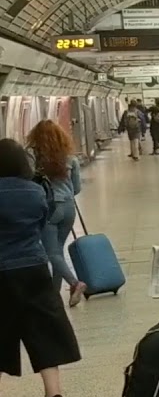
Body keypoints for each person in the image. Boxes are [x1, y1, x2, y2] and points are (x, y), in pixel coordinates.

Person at [0, 139, 81, 397]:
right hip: (34, 268)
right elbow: (41, 221)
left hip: (2, 271)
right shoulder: (35, 191)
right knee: (43, 328)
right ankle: (53, 394)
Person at [28, 121, 87, 307]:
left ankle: (75, 283)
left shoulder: (34, 157)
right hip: (69, 207)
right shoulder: (70, 158)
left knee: (51, 252)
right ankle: (54, 295)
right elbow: (77, 188)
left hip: (49, 207)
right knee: (57, 251)